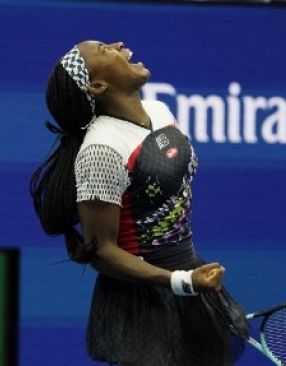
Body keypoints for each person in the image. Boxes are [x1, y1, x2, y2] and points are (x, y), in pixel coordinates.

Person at [30, 40, 249, 366]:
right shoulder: (101, 150)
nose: (118, 44)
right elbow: (101, 252)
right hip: (140, 300)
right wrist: (179, 281)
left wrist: (189, 277)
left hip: (189, 273)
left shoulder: (160, 111)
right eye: (105, 50)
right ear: (98, 85)